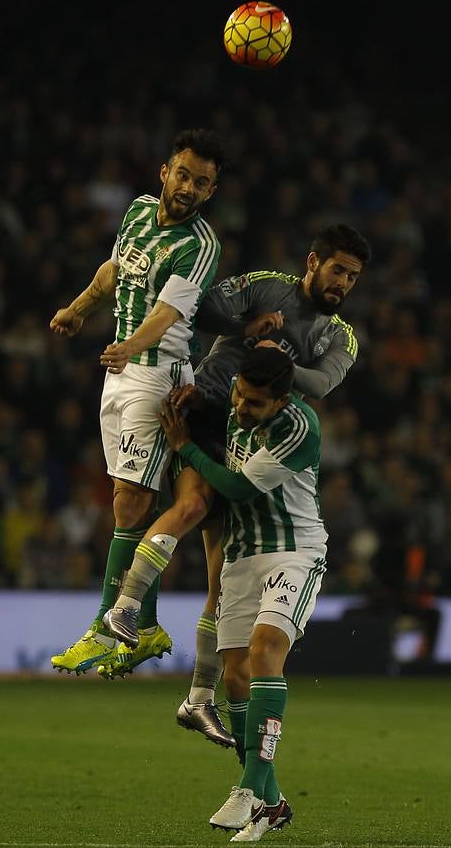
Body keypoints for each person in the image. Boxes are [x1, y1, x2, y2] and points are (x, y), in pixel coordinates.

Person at [100, 224, 370, 746]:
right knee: (193, 504)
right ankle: (125, 606)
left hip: (251, 436)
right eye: (338, 270)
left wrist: (279, 357)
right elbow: (199, 307)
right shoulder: (269, 287)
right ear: (313, 262)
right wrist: (249, 328)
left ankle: (199, 699)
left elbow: (323, 383)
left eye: (353, 277)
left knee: (220, 577)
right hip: (207, 409)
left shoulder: (341, 336)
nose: (344, 283)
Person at [49, 128, 226, 675]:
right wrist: (80, 308)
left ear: (210, 191)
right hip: (119, 374)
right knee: (125, 501)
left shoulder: (199, 247)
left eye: (202, 182)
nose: (189, 187)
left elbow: (169, 315)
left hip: (158, 375)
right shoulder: (137, 213)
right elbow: (114, 271)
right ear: (164, 172)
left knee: (131, 501)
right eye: (184, 175)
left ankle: (108, 626)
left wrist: (129, 344)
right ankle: (144, 629)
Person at [158, 346, 328, 841]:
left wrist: (185, 447)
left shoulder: (300, 428)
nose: (241, 408)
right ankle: (271, 804)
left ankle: (250, 786)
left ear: (281, 401)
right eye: (239, 395)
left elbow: (236, 489)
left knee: (264, 651)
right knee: (235, 676)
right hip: (241, 557)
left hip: (293, 551)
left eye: (254, 403)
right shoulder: (235, 408)